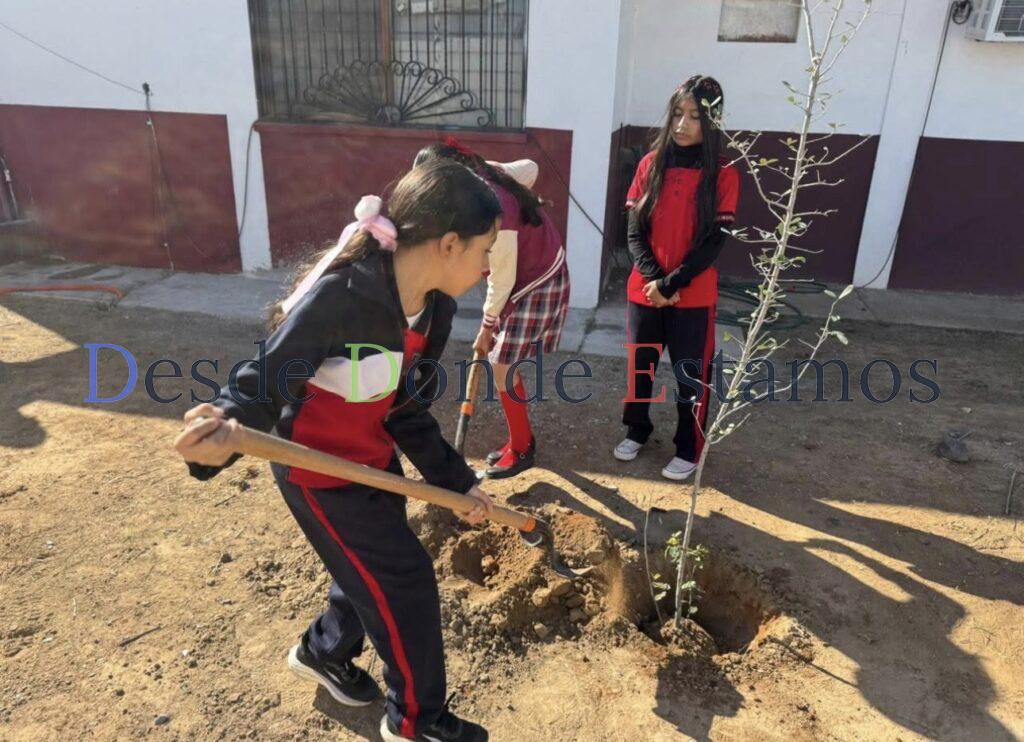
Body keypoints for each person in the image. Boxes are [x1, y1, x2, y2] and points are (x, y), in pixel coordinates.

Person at [173, 160, 502, 742]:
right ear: (449, 244)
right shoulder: (344, 295)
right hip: (317, 469)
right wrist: (219, 428)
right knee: (404, 577)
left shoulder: (435, 308)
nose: (486, 266)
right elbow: (263, 380)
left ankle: (324, 651)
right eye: (485, 250)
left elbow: (404, 406)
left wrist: (456, 481)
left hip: (371, 459)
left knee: (364, 568)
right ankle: (415, 722)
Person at [415, 140, 570, 479]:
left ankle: (522, 449)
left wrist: (486, 327)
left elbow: (503, 277)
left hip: (538, 280)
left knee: (501, 366)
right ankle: (520, 439)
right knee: (505, 365)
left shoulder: (494, 208)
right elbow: (530, 168)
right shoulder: (484, 176)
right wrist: (490, 168)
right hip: (531, 271)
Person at [615, 75, 740, 481]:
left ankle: (688, 445)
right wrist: (654, 281)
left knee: (691, 375)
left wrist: (672, 285)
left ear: (712, 121)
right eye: (677, 114)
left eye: (695, 117)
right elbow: (634, 232)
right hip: (644, 292)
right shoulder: (649, 165)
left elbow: (713, 243)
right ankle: (637, 429)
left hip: (693, 295)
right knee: (641, 368)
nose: (682, 125)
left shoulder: (723, 174)